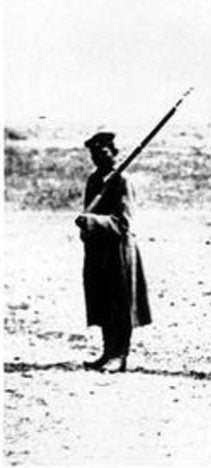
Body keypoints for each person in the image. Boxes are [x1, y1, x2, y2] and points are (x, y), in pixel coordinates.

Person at [76, 132, 152, 373]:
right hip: (98, 250)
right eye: (94, 153)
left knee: (120, 302)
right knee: (102, 300)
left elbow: (124, 223)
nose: (98, 157)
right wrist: (86, 229)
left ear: (114, 153)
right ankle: (107, 351)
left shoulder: (122, 181)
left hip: (119, 250)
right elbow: (88, 213)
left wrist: (92, 222)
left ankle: (119, 355)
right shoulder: (94, 180)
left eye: (103, 152)